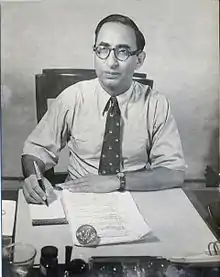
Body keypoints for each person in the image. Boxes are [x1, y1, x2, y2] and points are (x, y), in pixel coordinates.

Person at [21, 14, 186, 204]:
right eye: (103, 49)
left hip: (136, 197)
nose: (111, 62)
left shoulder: (156, 104)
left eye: (122, 51)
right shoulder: (73, 97)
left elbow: (173, 173)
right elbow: (36, 149)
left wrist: (117, 181)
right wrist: (33, 177)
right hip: (78, 197)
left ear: (139, 59)